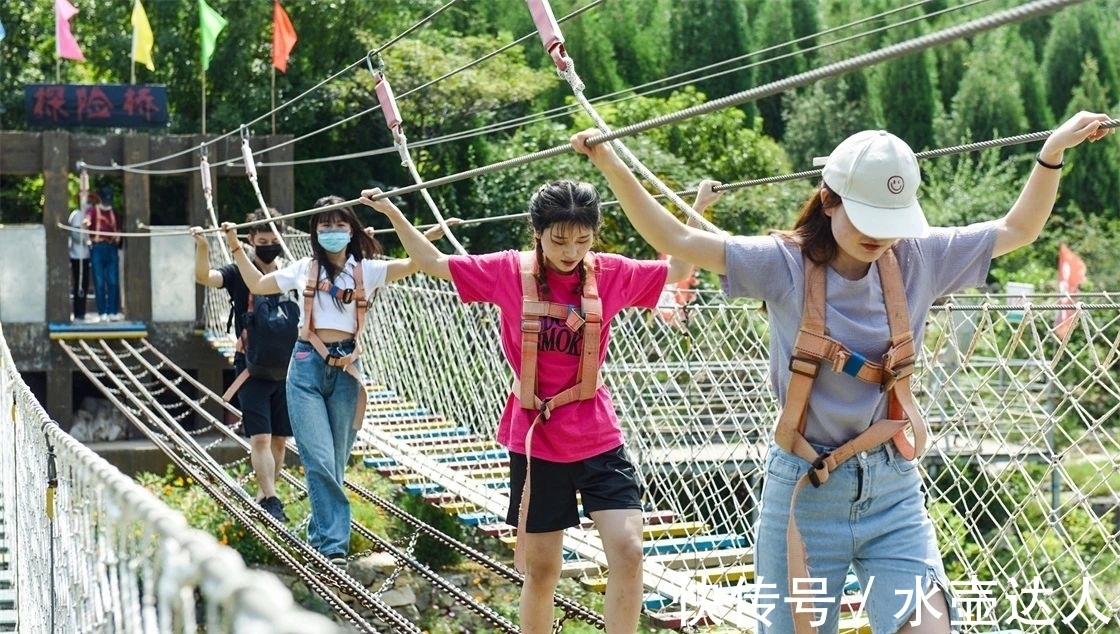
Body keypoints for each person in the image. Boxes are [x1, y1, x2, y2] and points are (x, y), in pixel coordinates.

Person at [571, 110, 1113, 634]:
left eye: (891, 223)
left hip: (893, 491)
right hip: (804, 493)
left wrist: (1051, 154)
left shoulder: (919, 258)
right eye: (868, 218)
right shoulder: (782, 264)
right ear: (828, 199)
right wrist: (611, 162)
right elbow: (677, 241)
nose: (880, 236)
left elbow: (1018, 228)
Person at [359, 180, 696, 634]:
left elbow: (676, 267)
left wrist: (697, 208)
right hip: (537, 440)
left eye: (582, 239)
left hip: (597, 434)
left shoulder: (610, 273)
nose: (571, 250)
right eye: (559, 239)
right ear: (536, 232)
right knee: (541, 570)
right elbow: (433, 263)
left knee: (629, 550)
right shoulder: (506, 272)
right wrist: (392, 213)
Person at [223, 197, 448, 565]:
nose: (331, 233)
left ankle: (320, 533)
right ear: (314, 232)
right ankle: (333, 546)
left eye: (339, 226)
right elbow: (259, 284)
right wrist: (235, 244)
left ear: (351, 230)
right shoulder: (303, 269)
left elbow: (415, 264)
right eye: (324, 227)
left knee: (335, 462)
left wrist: (417, 230)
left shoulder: (367, 270)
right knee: (319, 458)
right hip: (305, 364)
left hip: (347, 369)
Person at [191, 211, 294, 523]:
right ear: (251, 241)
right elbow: (205, 278)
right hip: (250, 367)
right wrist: (204, 247)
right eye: (262, 241)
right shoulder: (238, 272)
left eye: (274, 241)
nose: (269, 246)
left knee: (279, 439)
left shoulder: (291, 274)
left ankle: (266, 493)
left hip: (287, 368)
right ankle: (272, 498)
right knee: (261, 438)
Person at [84, 184, 123, 322]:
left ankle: (112, 311)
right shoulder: (93, 211)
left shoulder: (114, 213)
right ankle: (102, 313)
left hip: (111, 247)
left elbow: (118, 229)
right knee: (99, 281)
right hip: (97, 247)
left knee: (113, 281)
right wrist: (86, 225)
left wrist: (118, 237)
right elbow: (86, 222)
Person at [67, 193, 92, 322]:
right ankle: (78, 313)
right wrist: (87, 240)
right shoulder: (77, 215)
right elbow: (76, 235)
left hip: (85, 255)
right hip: (77, 255)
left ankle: (81, 312)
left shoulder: (87, 215)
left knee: (84, 284)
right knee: (79, 284)